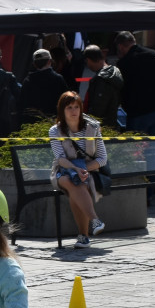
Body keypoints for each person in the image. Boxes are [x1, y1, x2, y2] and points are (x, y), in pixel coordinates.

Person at [49, 91, 107, 249]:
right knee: (70, 179)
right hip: (63, 170)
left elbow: (102, 159)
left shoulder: (92, 128)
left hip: (88, 171)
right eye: (69, 107)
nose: (73, 111)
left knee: (77, 181)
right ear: (62, 110)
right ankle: (94, 221)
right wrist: (75, 168)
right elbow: (60, 158)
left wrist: (83, 169)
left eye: (76, 107)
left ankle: (84, 236)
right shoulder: (55, 131)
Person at [113, 31, 155, 134]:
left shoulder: (124, 63)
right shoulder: (154, 55)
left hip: (137, 113)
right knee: (154, 148)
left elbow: (122, 89)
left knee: (136, 148)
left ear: (120, 46)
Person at [18, 48, 68, 124]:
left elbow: (22, 104)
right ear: (50, 61)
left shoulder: (28, 80)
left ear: (34, 64)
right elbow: (66, 100)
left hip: (33, 123)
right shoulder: (58, 79)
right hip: (54, 121)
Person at [80, 45, 123, 130]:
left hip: (101, 126)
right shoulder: (114, 71)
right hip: (111, 121)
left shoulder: (102, 79)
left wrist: (88, 122)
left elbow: (98, 108)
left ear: (88, 60)